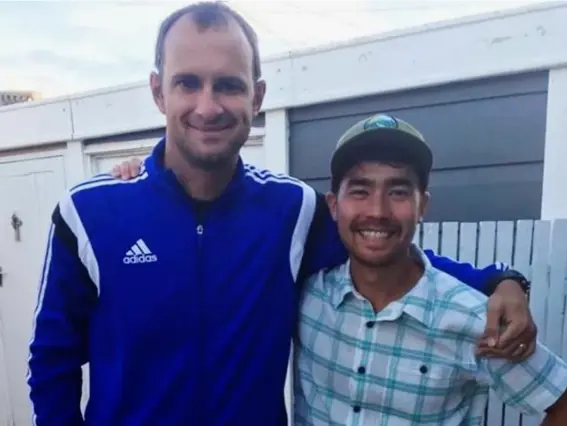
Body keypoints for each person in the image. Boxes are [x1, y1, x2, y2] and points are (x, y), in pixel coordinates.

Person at [28, 2, 535, 425]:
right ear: (159, 90)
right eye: (188, 83)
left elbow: (385, 248)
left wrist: (501, 280)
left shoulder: (291, 210)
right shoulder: (89, 213)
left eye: (228, 85)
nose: (208, 106)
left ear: (258, 95)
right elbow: (53, 362)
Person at [294, 113, 567, 425]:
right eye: (360, 190)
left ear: (422, 206)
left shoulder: (475, 320)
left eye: (397, 192)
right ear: (332, 205)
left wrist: (507, 281)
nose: (377, 211)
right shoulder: (307, 295)